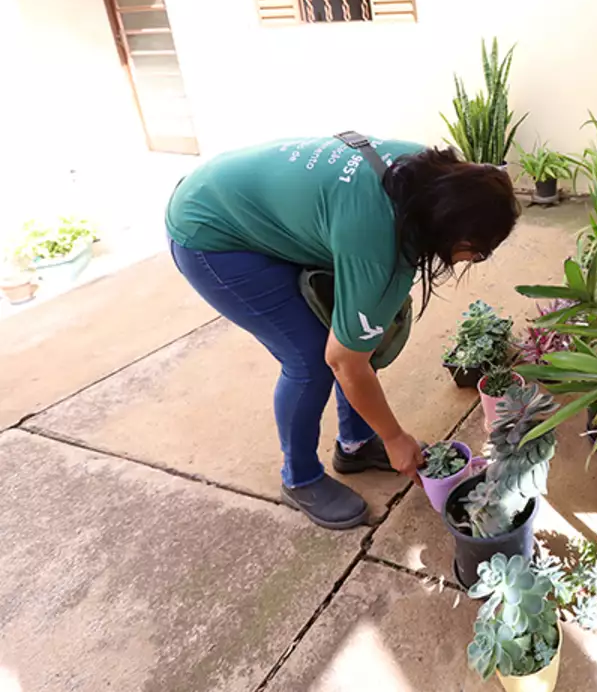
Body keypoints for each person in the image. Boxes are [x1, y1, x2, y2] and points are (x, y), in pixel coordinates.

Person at [165, 135, 519, 529]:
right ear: (458, 237)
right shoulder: (380, 246)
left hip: (240, 196)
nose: (474, 260)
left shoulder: (424, 175)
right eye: (479, 253)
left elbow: (362, 337)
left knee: (361, 333)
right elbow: (344, 360)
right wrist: (395, 437)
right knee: (312, 359)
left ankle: (355, 445)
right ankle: (299, 478)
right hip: (211, 234)